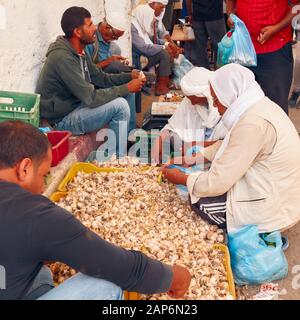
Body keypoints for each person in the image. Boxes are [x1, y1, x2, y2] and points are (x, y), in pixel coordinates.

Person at [0, 121, 191, 300]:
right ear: (24, 168)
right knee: (106, 286)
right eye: (44, 175)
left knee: (39, 271)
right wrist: (173, 277)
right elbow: (120, 267)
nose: (43, 188)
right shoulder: (35, 215)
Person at [163, 64, 300, 233]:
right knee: (204, 183)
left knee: (198, 200)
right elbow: (231, 144)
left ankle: (263, 231)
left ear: (230, 95)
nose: (214, 105)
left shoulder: (253, 124)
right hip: (278, 190)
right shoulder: (255, 106)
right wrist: (194, 158)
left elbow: (217, 182)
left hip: (274, 206)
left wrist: (182, 178)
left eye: (216, 99)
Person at [37, 7, 145, 157]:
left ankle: (126, 140)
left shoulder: (79, 51)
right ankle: (115, 160)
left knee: (128, 95)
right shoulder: (63, 58)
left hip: (77, 105)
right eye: (89, 25)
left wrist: (129, 77)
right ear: (77, 32)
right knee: (120, 106)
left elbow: (101, 78)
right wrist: (126, 87)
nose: (95, 28)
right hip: (62, 119)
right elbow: (91, 98)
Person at [226, 0, 300, 114]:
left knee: (276, 108)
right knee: (243, 106)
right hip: (243, 50)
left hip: (275, 50)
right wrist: (230, 14)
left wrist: (276, 28)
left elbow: (297, 6)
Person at [151, 67, 227, 163]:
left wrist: (199, 145)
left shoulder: (224, 106)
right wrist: (160, 139)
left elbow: (226, 142)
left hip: (215, 150)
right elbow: (174, 125)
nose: (192, 103)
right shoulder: (190, 100)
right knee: (175, 137)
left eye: (195, 99)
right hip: (192, 146)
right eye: (190, 99)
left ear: (206, 95)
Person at [131, 1, 183, 96]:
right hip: (138, 58)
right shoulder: (133, 27)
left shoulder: (141, 23)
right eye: (161, 7)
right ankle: (161, 86)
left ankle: (164, 82)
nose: (163, 10)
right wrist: (164, 47)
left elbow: (154, 40)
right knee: (164, 54)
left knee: (167, 51)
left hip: (146, 53)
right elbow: (143, 47)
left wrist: (167, 44)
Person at [186, 0, 226, 69]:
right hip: (215, 15)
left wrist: (190, 13)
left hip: (198, 15)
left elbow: (188, 1)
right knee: (220, 47)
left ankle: (204, 74)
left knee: (200, 48)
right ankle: (220, 72)